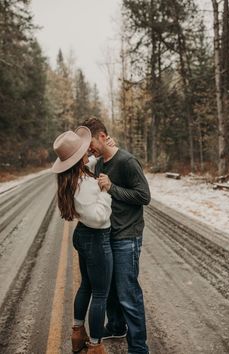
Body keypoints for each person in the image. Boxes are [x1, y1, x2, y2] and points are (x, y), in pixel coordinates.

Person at [80, 117, 151, 354]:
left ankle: (139, 347)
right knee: (109, 289)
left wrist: (112, 188)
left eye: (90, 141)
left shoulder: (127, 161)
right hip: (108, 235)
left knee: (128, 293)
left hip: (127, 236)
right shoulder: (99, 162)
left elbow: (144, 197)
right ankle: (117, 325)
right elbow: (76, 163)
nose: (88, 148)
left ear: (102, 136)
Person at [51, 127, 113, 354]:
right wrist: (105, 192)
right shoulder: (85, 184)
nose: (88, 150)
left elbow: (89, 165)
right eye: (83, 150)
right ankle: (96, 346)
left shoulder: (72, 178)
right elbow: (98, 218)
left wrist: (103, 151)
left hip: (84, 235)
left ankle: (78, 333)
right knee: (100, 294)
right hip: (96, 238)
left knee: (87, 285)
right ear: (77, 158)